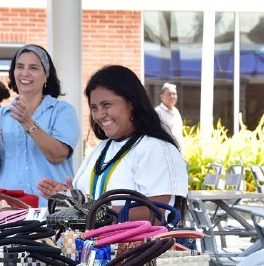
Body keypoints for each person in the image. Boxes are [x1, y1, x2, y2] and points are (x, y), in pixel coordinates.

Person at [37, 65, 188, 220]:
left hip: (138, 245)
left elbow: (156, 214)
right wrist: (71, 198)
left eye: (107, 105)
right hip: (93, 243)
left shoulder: (157, 149)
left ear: (132, 103)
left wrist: (91, 211)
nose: (100, 114)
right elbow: (89, 202)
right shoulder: (102, 148)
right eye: (94, 107)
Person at [0, 44, 78, 206]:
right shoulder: (0, 116)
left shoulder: (63, 111)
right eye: (19, 67)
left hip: (53, 210)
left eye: (33, 67)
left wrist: (28, 122)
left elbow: (58, 155)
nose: (25, 73)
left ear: (46, 75)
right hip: (10, 211)